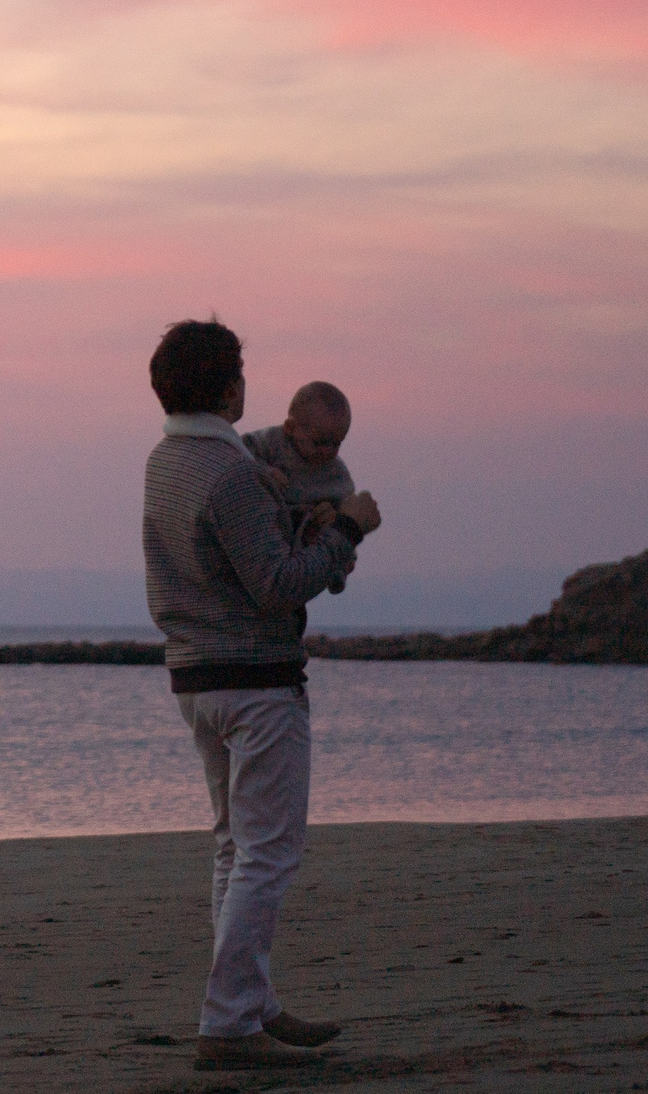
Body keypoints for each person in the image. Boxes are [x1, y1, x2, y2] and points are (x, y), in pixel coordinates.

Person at [141, 321, 381, 1070]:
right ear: (230, 388)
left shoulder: (165, 459)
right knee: (267, 852)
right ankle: (231, 1019)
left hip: (196, 675)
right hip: (253, 680)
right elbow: (276, 585)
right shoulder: (229, 471)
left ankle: (249, 999)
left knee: (235, 846)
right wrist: (347, 530)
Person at [245, 381, 359, 593]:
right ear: (290, 428)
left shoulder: (335, 472)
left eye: (336, 444)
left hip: (309, 524)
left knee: (336, 531)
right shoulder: (271, 441)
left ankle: (338, 572)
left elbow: (347, 503)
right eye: (319, 442)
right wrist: (265, 470)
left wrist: (335, 517)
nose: (327, 451)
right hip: (276, 521)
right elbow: (242, 453)